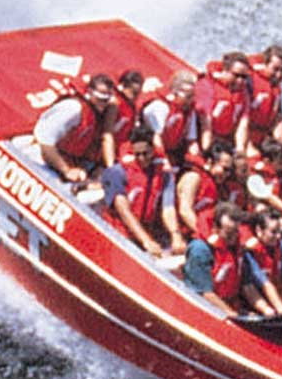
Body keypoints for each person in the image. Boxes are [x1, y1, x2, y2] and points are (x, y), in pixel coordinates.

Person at [100, 124, 183, 257]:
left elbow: (168, 208)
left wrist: (175, 234)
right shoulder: (117, 172)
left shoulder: (164, 175)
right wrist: (146, 241)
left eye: (146, 153)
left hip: (144, 231)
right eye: (137, 154)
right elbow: (123, 210)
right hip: (117, 232)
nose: (142, 159)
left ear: (153, 150)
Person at [33, 72, 118, 184]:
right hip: (39, 157)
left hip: (66, 164)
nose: (103, 104)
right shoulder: (74, 108)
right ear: (90, 93)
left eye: (106, 101)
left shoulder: (98, 115)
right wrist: (66, 170)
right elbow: (45, 143)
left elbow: (106, 138)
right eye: (100, 99)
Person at [182, 202, 246, 312]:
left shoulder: (236, 248)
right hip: (205, 309)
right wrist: (233, 315)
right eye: (229, 234)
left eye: (236, 232)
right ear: (215, 228)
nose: (233, 238)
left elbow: (248, 285)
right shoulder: (200, 250)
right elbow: (205, 293)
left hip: (231, 304)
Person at [175, 139, 239, 234]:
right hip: (184, 234)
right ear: (209, 162)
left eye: (229, 171)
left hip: (200, 233)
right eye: (224, 169)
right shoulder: (193, 177)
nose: (227, 174)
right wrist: (206, 235)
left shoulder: (219, 187)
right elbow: (185, 211)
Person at [194, 51, 252, 154]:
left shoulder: (243, 92)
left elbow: (243, 124)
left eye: (244, 77)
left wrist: (240, 151)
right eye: (236, 75)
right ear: (225, 71)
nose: (240, 81)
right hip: (203, 139)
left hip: (226, 141)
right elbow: (205, 123)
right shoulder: (207, 86)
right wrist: (207, 152)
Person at [138, 70, 200, 166]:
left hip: (172, 151)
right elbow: (156, 138)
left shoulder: (189, 110)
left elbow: (191, 140)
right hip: (149, 150)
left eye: (193, 96)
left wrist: (196, 159)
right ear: (175, 93)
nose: (191, 100)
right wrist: (164, 160)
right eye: (188, 97)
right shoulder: (160, 106)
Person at [239, 137, 282, 221]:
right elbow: (270, 197)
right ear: (267, 161)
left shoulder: (280, 173)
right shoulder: (255, 176)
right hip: (264, 218)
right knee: (261, 208)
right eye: (280, 161)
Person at [245, 44, 282, 150]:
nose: (279, 74)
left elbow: (278, 118)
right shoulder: (249, 81)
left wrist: (281, 145)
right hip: (246, 138)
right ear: (265, 64)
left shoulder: (276, 88)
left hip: (264, 139)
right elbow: (240, 119)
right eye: (275, 69)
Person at [108, 69, 147, 158]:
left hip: (119, 151)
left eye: (137, 93)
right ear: (123, 86)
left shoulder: (132, 107)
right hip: (103, 151)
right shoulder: (115, 103)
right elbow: (107, 133)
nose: (135, 96)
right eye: (133, 92)